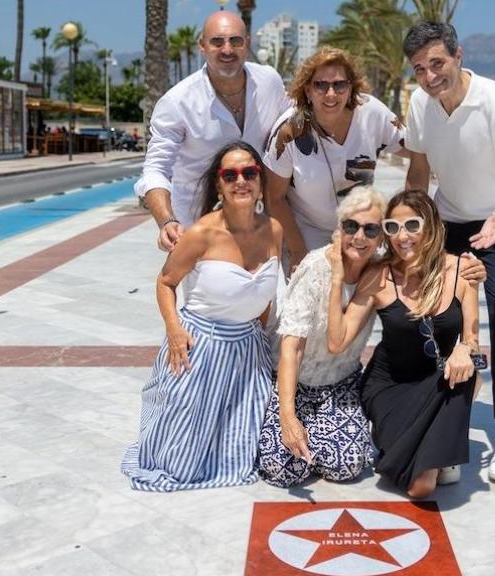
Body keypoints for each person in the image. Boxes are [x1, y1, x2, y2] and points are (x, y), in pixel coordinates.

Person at [403, 21, 495, 483]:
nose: (429, 76)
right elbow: (418, 171)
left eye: (437, 63)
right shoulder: (420, 104)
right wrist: (413, 225)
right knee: (436, 315)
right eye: (419, 68)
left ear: (458, 55)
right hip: (447, 222)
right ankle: (443, 432)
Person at [121, 141, 283, 491]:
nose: (241, 181)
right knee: (181, 464)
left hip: (247, 354)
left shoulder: (274, 229)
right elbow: (166, 282)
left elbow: (263, 295)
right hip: (199, 349)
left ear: (260, 180)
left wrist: (258, 336)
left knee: (250, 453)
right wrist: (174, 331)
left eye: (250, 172)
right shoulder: (200, 233)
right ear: (218, 185)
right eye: (230, 175)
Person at [328, 191, 480, 499]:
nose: (402, 236)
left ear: (431, 227)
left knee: (470, 373)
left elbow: (473, 339)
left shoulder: (461, 272)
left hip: (437, 380)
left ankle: (438, 447)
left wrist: (464, 348)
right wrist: (336, 279)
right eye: (393, 227)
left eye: (412, 225)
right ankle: (436, 447)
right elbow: (337, 341)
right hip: (390, 386)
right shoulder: (380, 276)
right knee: (421, 488)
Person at [256, 187, 385, 487]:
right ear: (339, 229)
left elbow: (421, 267)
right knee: (282, 468)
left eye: (370, 229)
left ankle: (319, 433)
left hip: (340, 383)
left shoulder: (379, 272)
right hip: (295, 382)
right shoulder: (315, 268)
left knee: (346, 465)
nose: (360, 237)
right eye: (351, 226)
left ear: (381, 237)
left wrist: (465, 270)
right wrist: (287, 416)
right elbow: (292, 348)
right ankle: (306, 430)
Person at [136, 10, 289, 252]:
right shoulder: (177, 102)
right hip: (197, 230)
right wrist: (166, 221)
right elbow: (156, 170)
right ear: (202, 46)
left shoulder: (269, 82)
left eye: (235, 41)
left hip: (260, 225)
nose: (227, 49)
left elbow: (292, 123)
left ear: (247, 43)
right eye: (217, 41)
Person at [264, 47, 405, 271]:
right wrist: (298, 251)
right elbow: (274, 197)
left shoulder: (373, 114)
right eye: (320, 85)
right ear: (307, 90)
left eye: (339, 85)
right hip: (307, 234)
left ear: (351, 88)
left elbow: (417, 149)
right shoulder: (289, 131)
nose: (331, 94)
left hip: (360, 233)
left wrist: (408, 212)